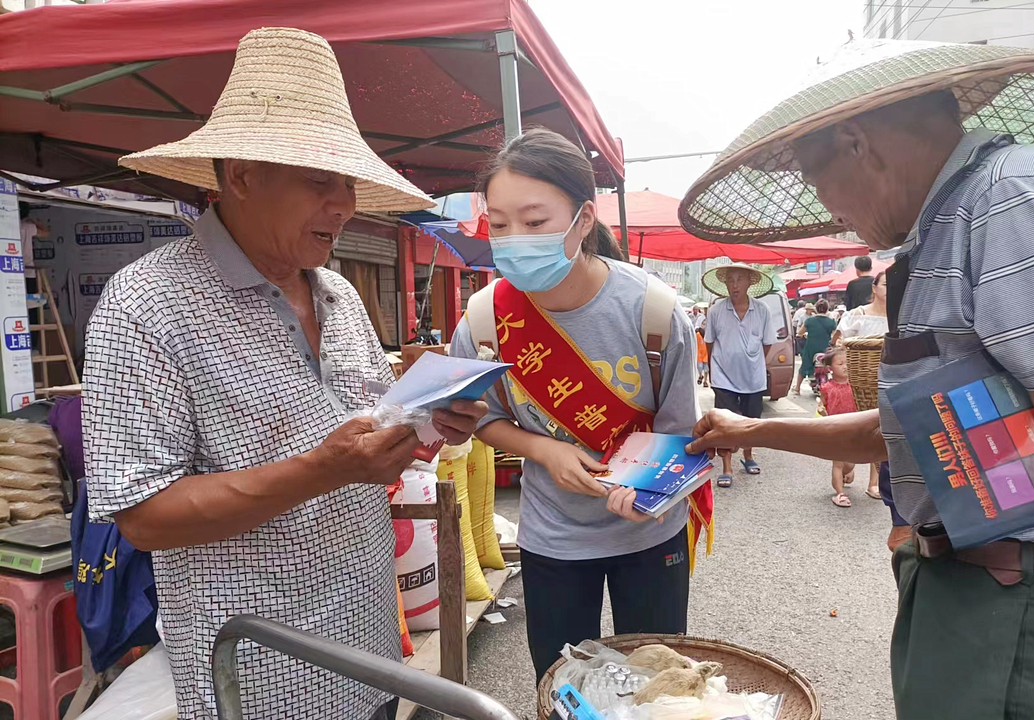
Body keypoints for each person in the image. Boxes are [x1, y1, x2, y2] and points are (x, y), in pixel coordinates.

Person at [81, 29, 488, 720]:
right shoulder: (145, 306)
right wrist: (320, 470)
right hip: (258, 679)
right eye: (318, 180)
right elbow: (144, 516)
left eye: (348, 181)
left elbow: (366, 429)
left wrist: (429, 422)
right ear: (241, 175)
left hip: (370, 656)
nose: (345, 204)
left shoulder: (340, 294)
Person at [681, 41, 1034, 720]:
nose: (829, 209)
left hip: (1018, 598)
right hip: (965, 589)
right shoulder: (947, 225)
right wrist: (753, 429)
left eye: (815, 180)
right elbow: (919, 429)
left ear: (856, 142)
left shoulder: (1009, 199)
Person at [448, 128, 707, 684]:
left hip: (649, 532)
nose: (514, 238)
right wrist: (542, 449)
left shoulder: (654, 313)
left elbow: (684, 432)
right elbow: (483, 419)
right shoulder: (484, 321)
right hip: (554, 539)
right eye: (499, 224)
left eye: (535, 222)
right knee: (564, 686)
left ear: (584, 219)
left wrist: (649, 488)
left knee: (655, 684)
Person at [703, 264, 773, 486]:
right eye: (730, 280)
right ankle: (727, 467)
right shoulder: (715, 311)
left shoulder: (762, 311)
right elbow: (710, 343)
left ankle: (748, 456)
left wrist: (752, 361)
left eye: (739, 279)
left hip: (753, 378)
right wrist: (716, 368)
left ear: (750, 282)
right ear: (725, 284)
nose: (734, 285)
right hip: (723, 377)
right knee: (724, 423)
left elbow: (767, 345)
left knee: (751, 422)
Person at [816, 348, 879, 505]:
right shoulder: (826, 387)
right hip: (838, 429)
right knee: (838, 462)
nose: (845, 366)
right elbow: (821, 406)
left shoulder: (856, 385)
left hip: (858, 427)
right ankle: (840, 493)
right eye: (840, 363)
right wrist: (822, 411)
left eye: (847, 363)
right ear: (830, 368)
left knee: (857, 461)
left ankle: (868, 482)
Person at [794, 299, 835, 396]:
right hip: (825, 348)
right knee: (830, 366)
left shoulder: (809, 321)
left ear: (816, 308)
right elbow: (834, 335)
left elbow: (800, 332)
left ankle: (797, 388)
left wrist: (801, 335)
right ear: (827, 309)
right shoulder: (831, 322)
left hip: (810, 348)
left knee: (804, 366)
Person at [836, 271, 888, 341]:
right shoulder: (858, 314)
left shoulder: (900, 318)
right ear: (874, 288)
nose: (890, 288)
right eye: (885, 285)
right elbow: (839, 341)